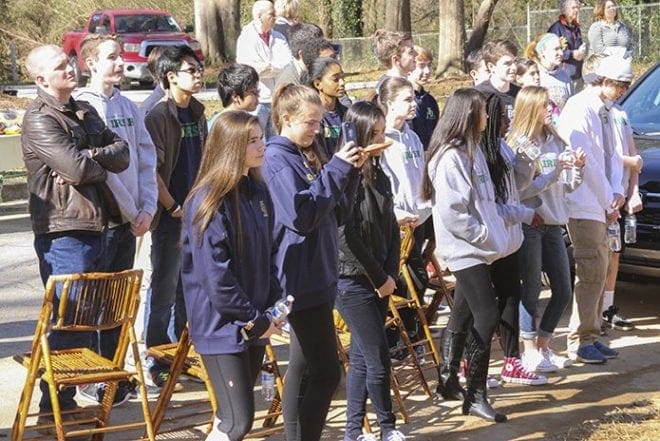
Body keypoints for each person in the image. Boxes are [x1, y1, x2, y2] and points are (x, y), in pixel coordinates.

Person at [21, 44, 129, 431]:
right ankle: (56, 409)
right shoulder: (38, 119)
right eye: (59, 66)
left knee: (91, 318)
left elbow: (122, 155)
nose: (70, 68)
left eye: (68, 62)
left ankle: (75, 405)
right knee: (67, 322)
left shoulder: (85, 110)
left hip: (101, 223)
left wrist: (88, 153)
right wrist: (91, 158)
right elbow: (77, 169)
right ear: (40, 79)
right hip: (64, 230)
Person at [262, 83, 364, 441]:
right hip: (299, 279)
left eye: (320, 123)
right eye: (310, 123)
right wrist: (336, 169)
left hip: (319, 274)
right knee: (327, 373)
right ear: (286, 119)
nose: (317, 131)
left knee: (305, 365)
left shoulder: (306, 153)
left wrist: (349, 173)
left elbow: (334, 215)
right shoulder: (276, 159)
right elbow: (301, 216)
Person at [181, 111, 282, 441]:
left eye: (261, 137)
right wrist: (254, 318)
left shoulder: (258, 192)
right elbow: (216, 278)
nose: (261, 145)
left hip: (252, 321)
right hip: (221, 326)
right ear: (230, 147)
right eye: (252, 141)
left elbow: (268, 256)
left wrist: (272, 306)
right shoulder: (208, 200)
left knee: (230, 419)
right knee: (237, 421)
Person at [75, 33, 158, 406]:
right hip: (106, 220)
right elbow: (102, 169)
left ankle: (114, 373)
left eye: (120, 55)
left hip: (132, 220)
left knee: (118, 303)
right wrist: (131, 211)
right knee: (95, 301)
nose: (119, 62)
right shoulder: (82, 108)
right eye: (111, 57)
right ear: (90, 64)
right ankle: (90, 378)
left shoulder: (129, 105)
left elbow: (145, 157)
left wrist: (149, 207)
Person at [422, 88, 507, 423]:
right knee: (486, 316)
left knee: (462, 314)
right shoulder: (451, 157)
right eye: (484, 111)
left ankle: (447, 379)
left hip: (479, 249)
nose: (488, 117)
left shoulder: (472, 151)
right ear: (470, 115)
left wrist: (504, 223)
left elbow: (484, 201)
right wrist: (484, 235)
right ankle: (475, 394)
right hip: (465, 249)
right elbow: (454, 212)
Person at [336, 101, 406, 441]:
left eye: (382, 132)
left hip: (382, 276)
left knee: (363, 358)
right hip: (352, 280)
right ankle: (387, 428)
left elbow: (391, 226)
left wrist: (390, 272)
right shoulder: (345, 178)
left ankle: (353, 431)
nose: (382, 140)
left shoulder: (379, 174)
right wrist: (379, 277)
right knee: (378, 358)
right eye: (375, 134)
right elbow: (345, 236)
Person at [557, 54, 630, 365]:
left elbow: (613, 155)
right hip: (583, 202)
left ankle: (592, 332)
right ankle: (579, 339)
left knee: (600, 269)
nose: (623, 91)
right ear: (606, 81)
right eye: (620, 86)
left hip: (601, 202)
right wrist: (606, 200)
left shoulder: (605, 110)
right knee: (590, 270)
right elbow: (587, 162)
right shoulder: (579, 108)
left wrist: (617, 192)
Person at [144, 45, 208, 387]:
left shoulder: (197, 112)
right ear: (171, 77)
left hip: (198, 212)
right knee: (165, 286)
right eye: (191, 71)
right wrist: (173, 207)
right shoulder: (157, 115)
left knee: (191, 287)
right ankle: (157, 357)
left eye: (199, 70)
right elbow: (151, 170)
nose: (198, 76)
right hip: (172, 215)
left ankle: (182, 354)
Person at [512, 86, 586, 373]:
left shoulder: (555, 139)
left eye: (551, 106)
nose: (550, 111)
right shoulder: (520, 143)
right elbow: (518, 191)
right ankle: (529, 348)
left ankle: (544, 343)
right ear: (531, 109)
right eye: (545, 106)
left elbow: (568, 184)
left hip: (555, 221)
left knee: (563, 289)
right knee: (530, 287)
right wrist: (551, 174)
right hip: (531, 222)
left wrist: (576, 168)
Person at [236, 0, 293, 140]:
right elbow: (251, 69)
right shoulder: (246, 38)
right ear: (259, 16)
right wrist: (272, 67)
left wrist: (268, 67)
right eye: (271, 14)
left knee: (276, 140)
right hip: (257, 100)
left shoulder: (279, 37)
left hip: (277, 98)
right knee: (257, 140)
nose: (275, 17)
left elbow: (288, 63)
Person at [306, 57, 347, 157]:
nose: (342, 83)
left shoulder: (347, 114)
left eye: (342, 78)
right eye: (335, 79)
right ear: (318, 84)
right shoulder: (310, 117)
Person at [525, 33, 573, 112]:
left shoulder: (565, 77)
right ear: (543, 52)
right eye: (556, 49)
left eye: (561, 48)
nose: (561, 53)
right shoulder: (533, 75)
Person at [476, 39, 520, 122]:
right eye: (507, 63)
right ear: (491, 67)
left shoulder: (520, 94)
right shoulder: (478, 95)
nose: (514, 67)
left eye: (515, 61)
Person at [208, 63, 260, 129]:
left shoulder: (247, 120)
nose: (258, 96)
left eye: (258, 91)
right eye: (254, 92)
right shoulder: (220, 125)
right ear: (235, 96)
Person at [548, 0, 586, 88]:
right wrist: (572, 54)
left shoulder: (576, 27)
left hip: (578, 73)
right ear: (564, 10)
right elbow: (551, 51)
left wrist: (581, 52)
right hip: (563, 75)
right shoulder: (556, 28)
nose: (576, 10)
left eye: (577, 7)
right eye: (573, 8)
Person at [409, 45, 440, 151]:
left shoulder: (430, 101)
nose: (427, 71)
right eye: (421, 66)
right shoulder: (401, 102)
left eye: (429, 65)